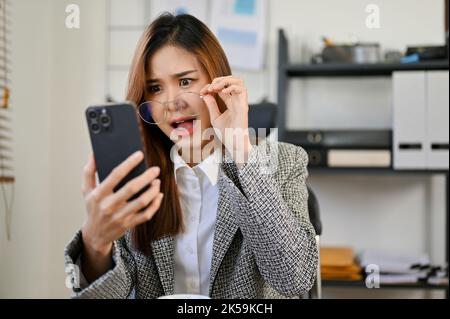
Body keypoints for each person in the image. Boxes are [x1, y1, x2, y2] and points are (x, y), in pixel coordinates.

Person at [64, 12, 318, 299]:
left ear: (218, 81)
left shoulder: (285, 162)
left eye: (185, 81)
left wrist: (242, 152)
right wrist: (96, 244)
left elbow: (294, 279)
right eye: (155, 88)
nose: (172, 102)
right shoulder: (136, 176)